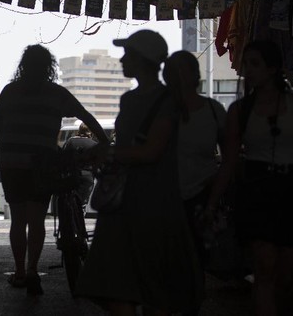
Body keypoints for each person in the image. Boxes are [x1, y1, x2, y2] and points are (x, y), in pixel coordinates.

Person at [76, 30, 203, 315]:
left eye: (128, 54)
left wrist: (106, 153)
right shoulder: (133, 99)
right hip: (135, 198)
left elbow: (151, 151)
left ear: (142, 59)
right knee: (126, 282)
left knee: (145, 282)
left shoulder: (165, 100)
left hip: (151, 200)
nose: (122, 59)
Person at [205, 40, 293, 316]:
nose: (248, 70)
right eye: (246, 64)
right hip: (257, 187)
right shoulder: (240, 110)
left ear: (272, 67)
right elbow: (228, 160)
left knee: (287, 274)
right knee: (265, 267)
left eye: (255, 63)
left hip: (291, 187)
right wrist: (212, 202)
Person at [0, 44, 109, 296]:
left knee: (18, 220)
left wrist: (13, 146)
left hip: (12, 162)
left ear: (23, 65)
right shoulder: (56, 93)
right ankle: (33, 270)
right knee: (36, 219)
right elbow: (85, 115)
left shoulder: (10, 91)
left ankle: (20, 273)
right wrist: (104, 141)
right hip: (41, 162)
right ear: (49, 67)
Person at [163, 50, 226, 315]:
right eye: (173, 69)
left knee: (197, 262)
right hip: (163, 199)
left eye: (182, 69)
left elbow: (230, 156)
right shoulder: (159, 109)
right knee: (165, 264)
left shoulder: (213, 110)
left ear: (194, 74)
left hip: (202, 197)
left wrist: (214, 200)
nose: (178, 74)